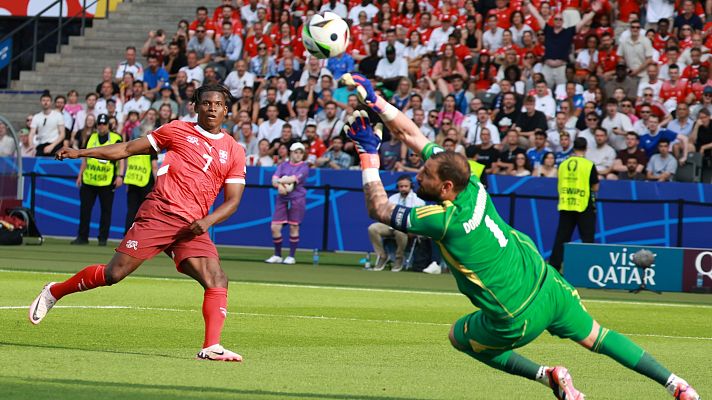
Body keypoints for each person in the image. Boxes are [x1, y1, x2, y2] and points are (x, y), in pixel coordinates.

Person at [339, 72, 700, 400]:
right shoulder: (471, 183)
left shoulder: (443, 219)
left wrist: (367, 153)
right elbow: (412, 135)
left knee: (459, 337)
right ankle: (678, 386)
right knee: (597, 336)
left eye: (426, 176)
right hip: (547, 284)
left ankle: (548, 375)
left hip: (515, 315)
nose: (419, 175)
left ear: (446, 187)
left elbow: (379, 209)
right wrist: (376, 102)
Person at [30, 84, 247, 362]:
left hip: (192, 226)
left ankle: (211, 346)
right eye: (206, 103)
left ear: (226, 110)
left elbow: (233, 201)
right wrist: (81, 152)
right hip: (160, 213)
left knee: (217, 278)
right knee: (113, 275)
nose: (212, 108)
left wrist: (208, 221)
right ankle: (54, 291)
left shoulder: (234, 150)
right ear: (196, 106)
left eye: (218, 104)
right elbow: (128, 148)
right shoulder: (177, 130)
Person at [70, 114, 125, 246]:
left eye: (104, 124)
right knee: (85, 210)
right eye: (99, 124)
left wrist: (120, 175)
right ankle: (82, 237)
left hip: (107, 181)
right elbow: (85, 158)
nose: (101, 126)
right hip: (89, 180)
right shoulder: (91, 137)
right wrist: (80, 174)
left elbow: (122, 158)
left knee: (106, 212)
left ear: (108, 125)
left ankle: (102, 238)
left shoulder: (116, 138)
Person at [549, 137, 598, 271]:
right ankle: (588, 269)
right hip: (583, 204)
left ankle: (554, 267)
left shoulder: (563, 164)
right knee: (587, 238)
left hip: (566, 203)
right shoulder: (588, 165)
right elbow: (595, 187)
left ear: (573, 147)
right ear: (586, 148)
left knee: (562, 237)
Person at [367, 175, 425, 272]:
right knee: (373, 228)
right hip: (391, 225)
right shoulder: (392, 198)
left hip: (407, 228)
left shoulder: (418, 201)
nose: (403, 189)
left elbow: (418, 220)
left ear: (411, 186)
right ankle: (382, 256)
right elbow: (386, 214)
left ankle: (399, 258)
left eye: (405, 186)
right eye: (401, 187)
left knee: (400, 231)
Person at [265, 142, 310, 265]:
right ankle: (277, 255)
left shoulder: (304, 167)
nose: (298, 155)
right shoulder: (283, 165)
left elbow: (293, 179)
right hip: (282, 199)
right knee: (275, 227)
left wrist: (280, 182)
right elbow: (273, 180)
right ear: (291, 153)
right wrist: (279, 184)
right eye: (296, 152)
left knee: (293, 226)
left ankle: (291, 256)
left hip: (297, 199)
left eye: (301, 152)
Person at [124, 149, 158, 234]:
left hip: (132, 182)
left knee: (131, 211)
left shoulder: (134, 147)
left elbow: (128, 166)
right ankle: (140, 235)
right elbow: (154, 167)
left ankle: (127, 235)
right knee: (144, 212)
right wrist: (158, 184)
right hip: (146, 184)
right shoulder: (151, 149)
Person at [29, 92, 66, 156]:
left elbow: (62, 134)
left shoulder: (58, 115)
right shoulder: (36, 117)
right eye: (43, 100)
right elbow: (32, 133)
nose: (45, 102)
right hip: (41, 145)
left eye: (48, 100)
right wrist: (31, 146)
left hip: (55, 145)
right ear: (40, 102)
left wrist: (52, 146)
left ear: (51, 102)